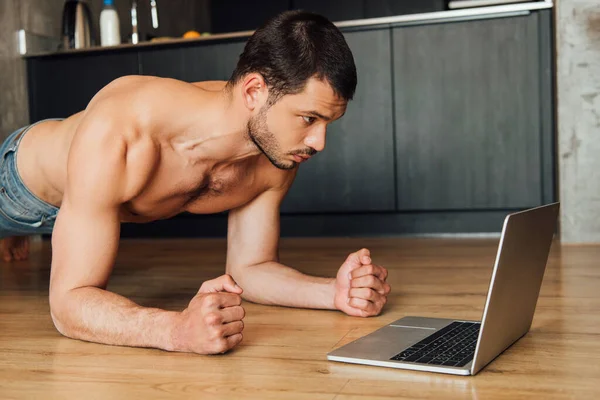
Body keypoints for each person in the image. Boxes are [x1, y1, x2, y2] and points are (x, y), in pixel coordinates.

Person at [0, 10, 391, 354]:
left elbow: (251, 268)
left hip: (80, 211)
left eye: (327, 124)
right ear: (255, 91)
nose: (319, 142)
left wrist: (333, 293)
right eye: (309, 119)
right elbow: (67, 306)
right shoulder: (125, 129)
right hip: (19, 188)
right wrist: (175, 330)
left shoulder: (276, 155)